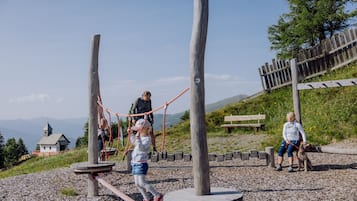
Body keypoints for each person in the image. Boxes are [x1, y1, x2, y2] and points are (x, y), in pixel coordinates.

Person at [128, 119, 164, 201]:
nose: (137, 132)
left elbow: (142, 149)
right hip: (135, 163)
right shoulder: (140, 137)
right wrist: (131, 134)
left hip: (141, 164)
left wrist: (138, 139)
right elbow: (133, 142)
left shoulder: (147, 139)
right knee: (137, 184)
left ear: (144, 129)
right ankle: (146, 198)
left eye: (138, 130)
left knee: (142, 182)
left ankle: (157, 195)